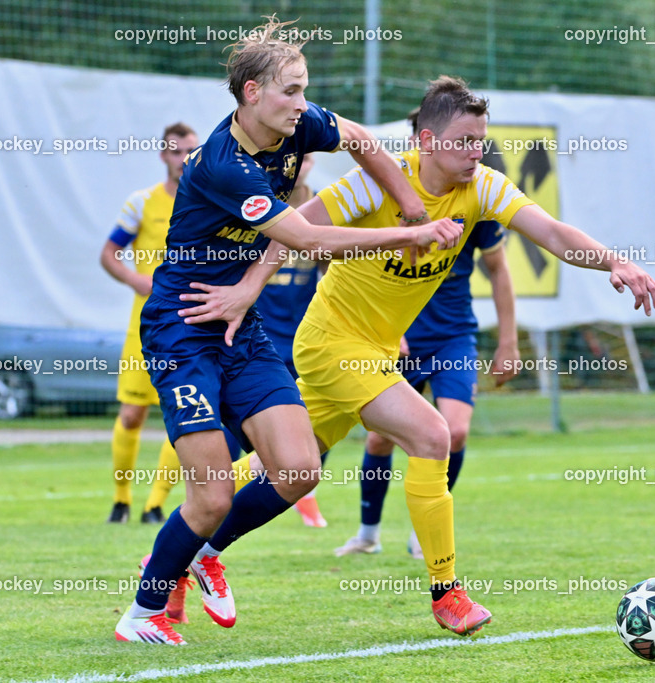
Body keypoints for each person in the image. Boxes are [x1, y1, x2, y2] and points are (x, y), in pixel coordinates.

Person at [201, 75, 655, 637]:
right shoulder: (375, 185)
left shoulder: (483, 187)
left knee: (289, 469)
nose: (476, 152)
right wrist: (247, 289)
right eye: (464, 141)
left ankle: (183, 551)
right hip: (330, 344)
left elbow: (555, 234)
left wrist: (615, 261)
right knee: (432, 435)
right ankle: (447, 595)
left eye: (480, 141)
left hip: (373, 348)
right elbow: (293, 231)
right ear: (426, 140)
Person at [114, 17, 462, 645]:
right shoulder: (225, 166)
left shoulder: (300, 125)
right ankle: (142, 613)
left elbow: (362, 140)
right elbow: (304, 238)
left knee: (300, 469)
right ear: (252, 93)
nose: (303, 103)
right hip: (183, 325)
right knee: (212, 494)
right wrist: (411, 231)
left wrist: (408, 198)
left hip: (239, 325)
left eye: (305, 89)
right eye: (291, 91)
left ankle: (203, 555)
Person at [335, 217, 518, 558]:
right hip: (396, 337)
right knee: (379, 439)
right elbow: (358, 270)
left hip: (453, 339)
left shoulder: (475, 204)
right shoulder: (391, 201)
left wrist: (509, 342)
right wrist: (382, 325)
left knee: (456, 432)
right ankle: (367, 535)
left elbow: (498, 268)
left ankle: (425, 530)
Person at [100, 122, 198, 525]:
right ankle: (121, 500)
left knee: (185, 413)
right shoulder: (141, 202)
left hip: (190, 325)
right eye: (177, 151)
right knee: (132, 414)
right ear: (163, 155)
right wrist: (135, 279)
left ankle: (155, 504)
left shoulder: (207, 200)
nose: (183, 159)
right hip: (145, 325)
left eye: (191, 151)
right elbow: (109, 253)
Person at [252, 157, 329, 528]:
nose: (300, 163)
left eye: (307, 156)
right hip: (261, 335)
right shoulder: (257, 203)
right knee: (244, 427)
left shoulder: (327, 207)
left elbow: (333, 270)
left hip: (306, 336)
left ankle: (305, 495)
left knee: (316, 420)